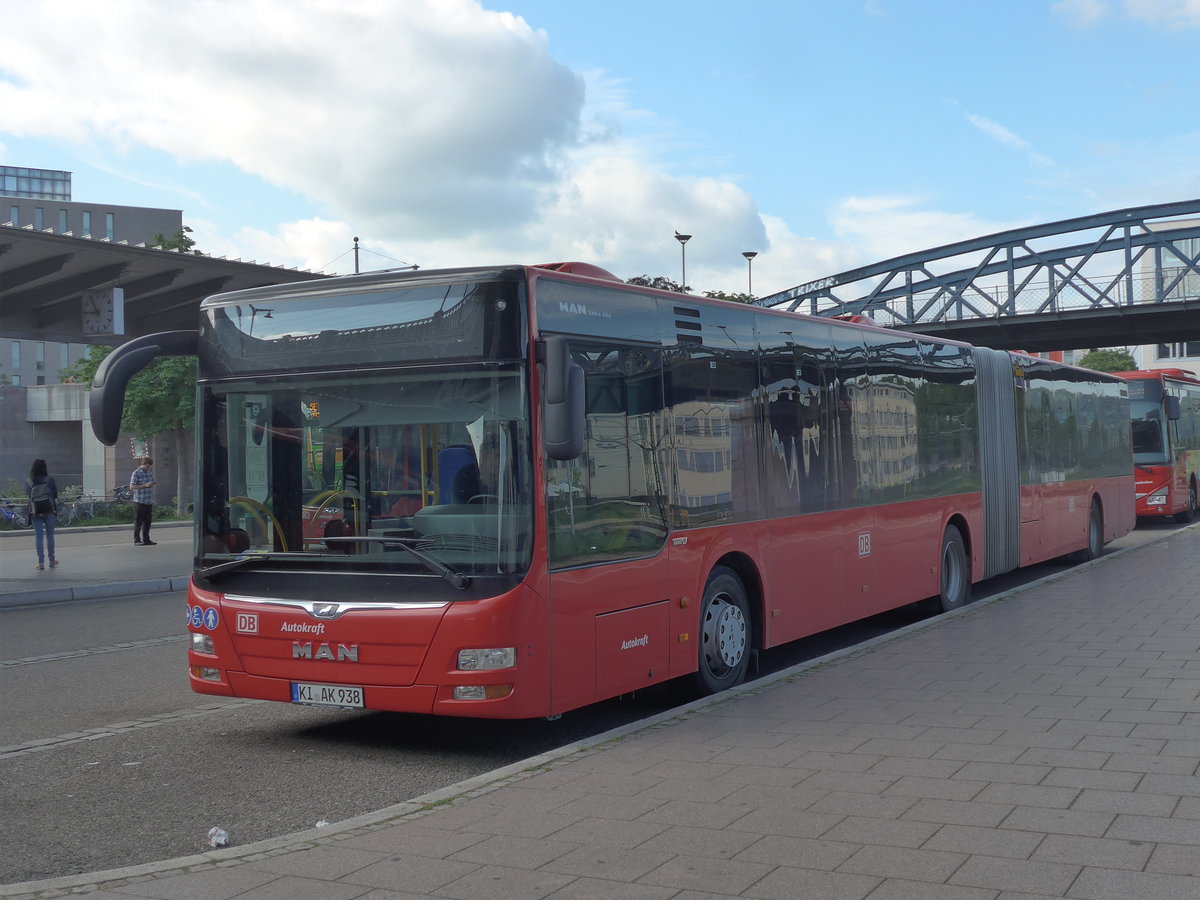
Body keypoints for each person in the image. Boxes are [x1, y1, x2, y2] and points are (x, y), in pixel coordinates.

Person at [28, 458, 59, 570]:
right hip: (49, 511)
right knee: (50, 536)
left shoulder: (30, 481)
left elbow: (28, 497)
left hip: (35, 512)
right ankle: (52, 560)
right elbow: (55, 495)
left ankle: (41, 563)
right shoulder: (49, 480)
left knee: (39, 537)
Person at [129, 456, 157, 546]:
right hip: (139, 501)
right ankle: (137, 540)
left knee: (147, 522)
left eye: (150, 466)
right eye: (147, 466)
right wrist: (145, 485)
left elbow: (151, 482)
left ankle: (146, 539)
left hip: (148, 501)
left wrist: (151, 484)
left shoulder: (149, 473)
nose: (149, 468)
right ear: (143, 464)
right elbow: (132, 487)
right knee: (138, 521)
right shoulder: (136, 473)